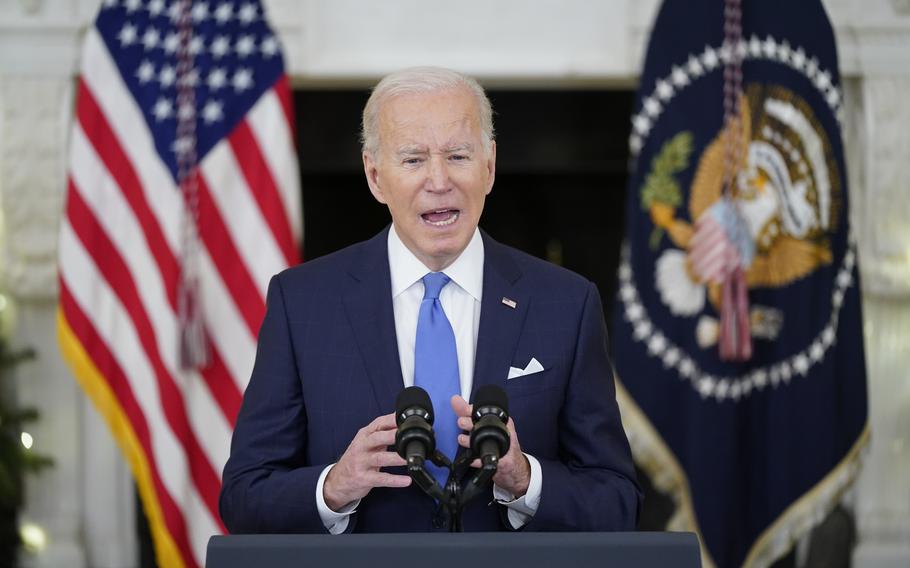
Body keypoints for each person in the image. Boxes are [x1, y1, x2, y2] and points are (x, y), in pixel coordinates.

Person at [219, 67, 641, 533]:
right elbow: (244, 496)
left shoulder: (567, 303)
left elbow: (618, 500)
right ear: (375, 176)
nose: (438, 181)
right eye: (413, 160)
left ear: (489, 166)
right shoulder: (302, 303)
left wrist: (526, 480)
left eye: (458, 155)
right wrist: (333, 487)